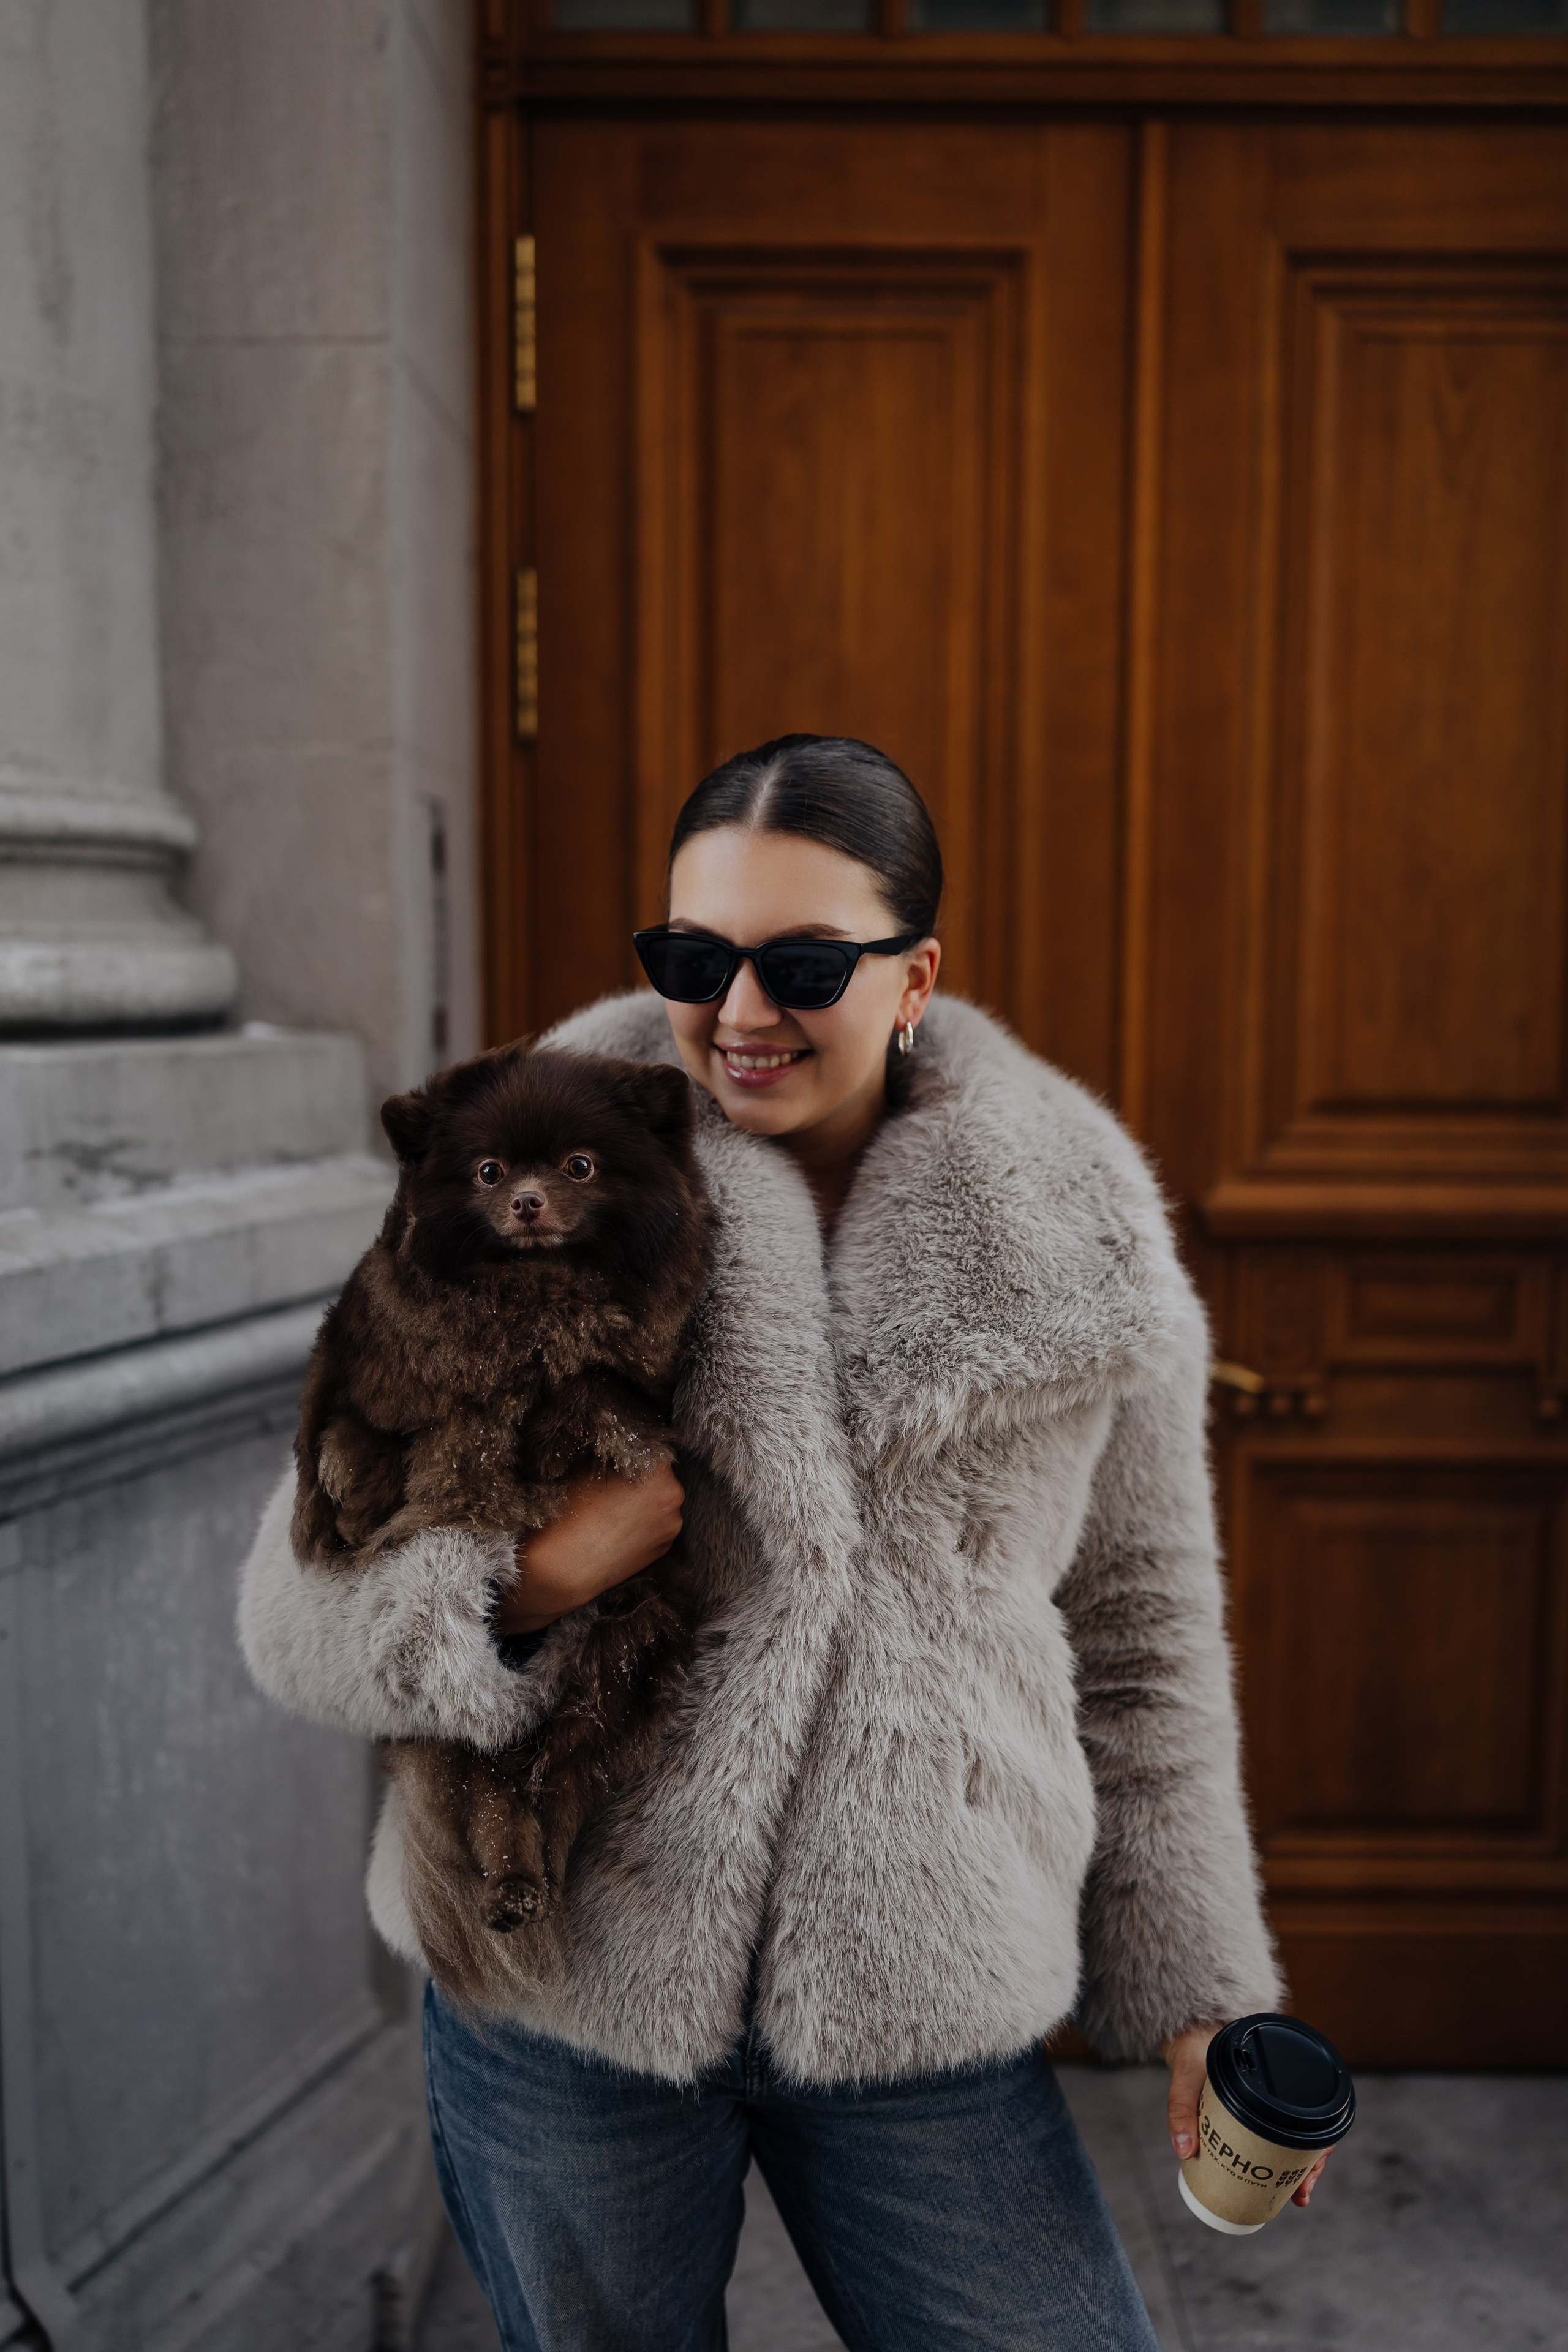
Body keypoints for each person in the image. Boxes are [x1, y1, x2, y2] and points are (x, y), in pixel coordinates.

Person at [240, 734, 1308, 2352]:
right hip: (568, 1975)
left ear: (915, 973)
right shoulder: (514, 1159)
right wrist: (524, 1585)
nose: (739, 1012)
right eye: (694, 956)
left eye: (803, 961)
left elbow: (1146, 1638)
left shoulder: (1078, 1221)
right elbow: (290, 1607)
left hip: (921, 1979)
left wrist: (1199, 1990)